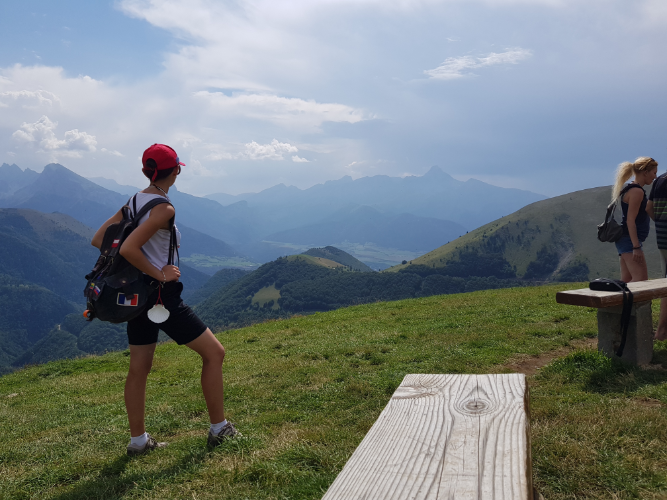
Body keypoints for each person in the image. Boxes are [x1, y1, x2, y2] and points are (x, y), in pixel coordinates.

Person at [91, 144, 239, 455]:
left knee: (138, 369)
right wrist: (160, 274)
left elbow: (98, 240)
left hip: (135, 298)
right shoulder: (164, 208)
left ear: (147, 170)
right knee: (215, 354)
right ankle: (219, 429)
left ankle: (138, 442)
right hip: (161, 296)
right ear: (176, 170)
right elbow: (130, 248)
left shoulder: (133, 201)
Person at [611, 156, 658, 283]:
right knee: (640, 280)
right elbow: (630, 220)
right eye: (654, 173)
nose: (655, 177)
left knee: (627, 279)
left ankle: (621, 302)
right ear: (645, 172)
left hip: (624, 240)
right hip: (629, 241)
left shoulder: (630, 188)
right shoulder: (637, 192)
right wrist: (636, 247)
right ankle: (623, 302)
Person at [646, 158, 667, 340]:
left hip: (663, 238)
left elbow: (649, 208)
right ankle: (661, 332)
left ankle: (661, 331)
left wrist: (660, 223)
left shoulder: (660, 180)